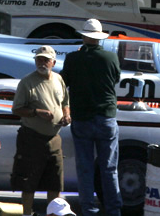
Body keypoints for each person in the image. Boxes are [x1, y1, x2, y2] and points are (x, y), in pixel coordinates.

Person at [61, 19, 121, 216]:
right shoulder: (111, 57)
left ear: (84, 37)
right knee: (109, 169)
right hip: (106, 117)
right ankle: (113, 210)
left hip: (82, 118)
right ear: (100, 38)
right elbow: (116, 79)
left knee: (85, 169)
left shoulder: (72, 59)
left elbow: (63, 83)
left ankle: (89, 210)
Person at [10, 45, 70, 214]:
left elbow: (65, 102)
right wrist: (37, 112)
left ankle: (53, 213)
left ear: (53, 62)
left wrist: (66, 115)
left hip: (54, 138)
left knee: (55, 183)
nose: (42, 63)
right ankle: (27, 213)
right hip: (32, 138)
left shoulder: (58, 79)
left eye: (45, 60)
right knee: (29, 183)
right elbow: (16, 109)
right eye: (39, 59)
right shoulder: (27, 82)